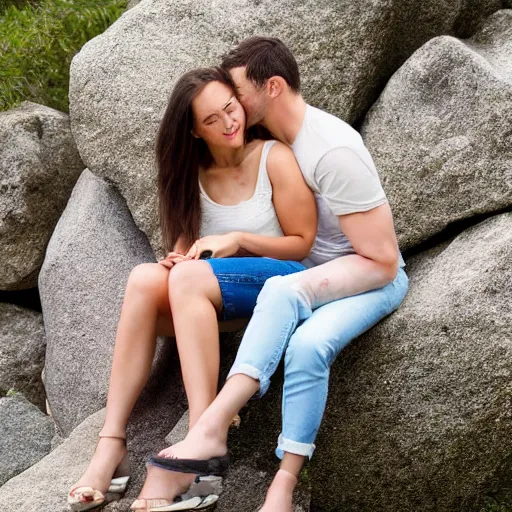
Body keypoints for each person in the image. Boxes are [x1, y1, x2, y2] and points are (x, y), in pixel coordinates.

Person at [133, 37, 409, 512]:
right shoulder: (284, 142)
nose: (232, 105)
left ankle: (228, 442)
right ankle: (246, 465)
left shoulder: (330, 150)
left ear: (273, 86)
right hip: (320, 274)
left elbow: (382, 261)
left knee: (297, 321)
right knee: (294, 322)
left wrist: (305, 287)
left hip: (371, 276)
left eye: (238, 93)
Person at [67, 66, 317, 511]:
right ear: (195, 133)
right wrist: (180, 256)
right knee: (144, 278)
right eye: (211, 121)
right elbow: (190, 242)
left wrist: (239, 240)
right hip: (212, 295)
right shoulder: (193, 175)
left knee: (184, 278)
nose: (228, 123)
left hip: (282, 281)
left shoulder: (272, 156)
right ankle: (112, 442)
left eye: (230, 108)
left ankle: (203, 438)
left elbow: (303, 242)